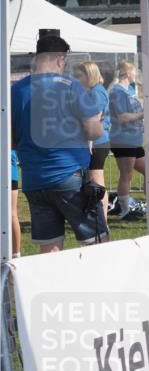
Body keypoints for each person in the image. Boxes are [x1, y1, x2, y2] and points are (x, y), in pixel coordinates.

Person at [10, 33, 107, 252]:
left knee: (50, 249)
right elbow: (93, 131)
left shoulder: (14, 91)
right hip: (69, 176)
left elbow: (10, 140)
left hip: (34, 180)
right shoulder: (72, 86)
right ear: (60, 59)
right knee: (99, 243)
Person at [107, 61, 146, 221]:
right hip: (123, 139)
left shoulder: (130, 90)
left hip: (134, 139)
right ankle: (124, 210)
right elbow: (122, 117)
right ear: (127, 73)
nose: (136, 74)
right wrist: (142, 115)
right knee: (126, 175)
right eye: (134, 71)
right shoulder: (117, 92)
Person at [73, 61, 111, 216]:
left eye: (80, 74)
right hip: (97, 141)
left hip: (96, 143)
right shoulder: (94, 91)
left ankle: (102, 220)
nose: (77, 78)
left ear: (89, 75)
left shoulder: (96, 92)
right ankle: (98, 216)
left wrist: (88, 142)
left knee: (97, 183)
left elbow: (94, 120)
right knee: (93, 181)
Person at [10, 152, 21, 258]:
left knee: (12, 214)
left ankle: (16, 254)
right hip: (11, 174)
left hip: (9, 174)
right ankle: (16, 254)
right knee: (12, 214)